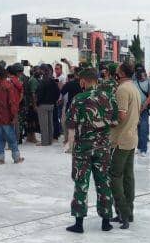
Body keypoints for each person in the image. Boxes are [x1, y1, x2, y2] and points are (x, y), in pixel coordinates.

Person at [66, 68, 118, 233]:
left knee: (81, 183)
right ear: (97, 80)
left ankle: (79, 223)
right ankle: (106, 221)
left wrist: (70, 146)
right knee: (104, 182)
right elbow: (115, 121)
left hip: (83, 148)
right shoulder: (108, 97)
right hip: (103, 148)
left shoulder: (78, 99)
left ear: (83, 81)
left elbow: (71, 126)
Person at [110, 61, 140, 229]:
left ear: (120, 73)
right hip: (131, 137)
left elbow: (120, 115)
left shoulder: (122, 89)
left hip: (121, 139)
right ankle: (129, 211)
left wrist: (107, 123)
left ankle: (123, 213)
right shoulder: (133, 87)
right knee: (128, 176)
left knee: (115, 176)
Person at [0, 66, 23, 164]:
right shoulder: (8, 86)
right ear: (6, 75)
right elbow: (12, 102)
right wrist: (14, 115)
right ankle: (16, 158)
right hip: (7, 117)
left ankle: (0, 159)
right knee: (12, 139)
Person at [35, 68, 60, 146]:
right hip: (51, 104)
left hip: (43, 105)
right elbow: (58, 92)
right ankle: (50, 140)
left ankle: (44, 142)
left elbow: (39, 94)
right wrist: (54, 101)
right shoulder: (53, 82)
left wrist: (38, 103)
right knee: (50, 123)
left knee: (44, 125)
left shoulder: (42, 82)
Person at [133, 68, 150, 156]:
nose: (143, 77)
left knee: (143, 129)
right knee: (136, 130)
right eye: (142, 76)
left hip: (144, 110)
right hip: (134, 109)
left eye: (144, 76)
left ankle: (144, 149)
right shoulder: (134, 83)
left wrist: (144, 106)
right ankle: (139, 147)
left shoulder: (148, 83)